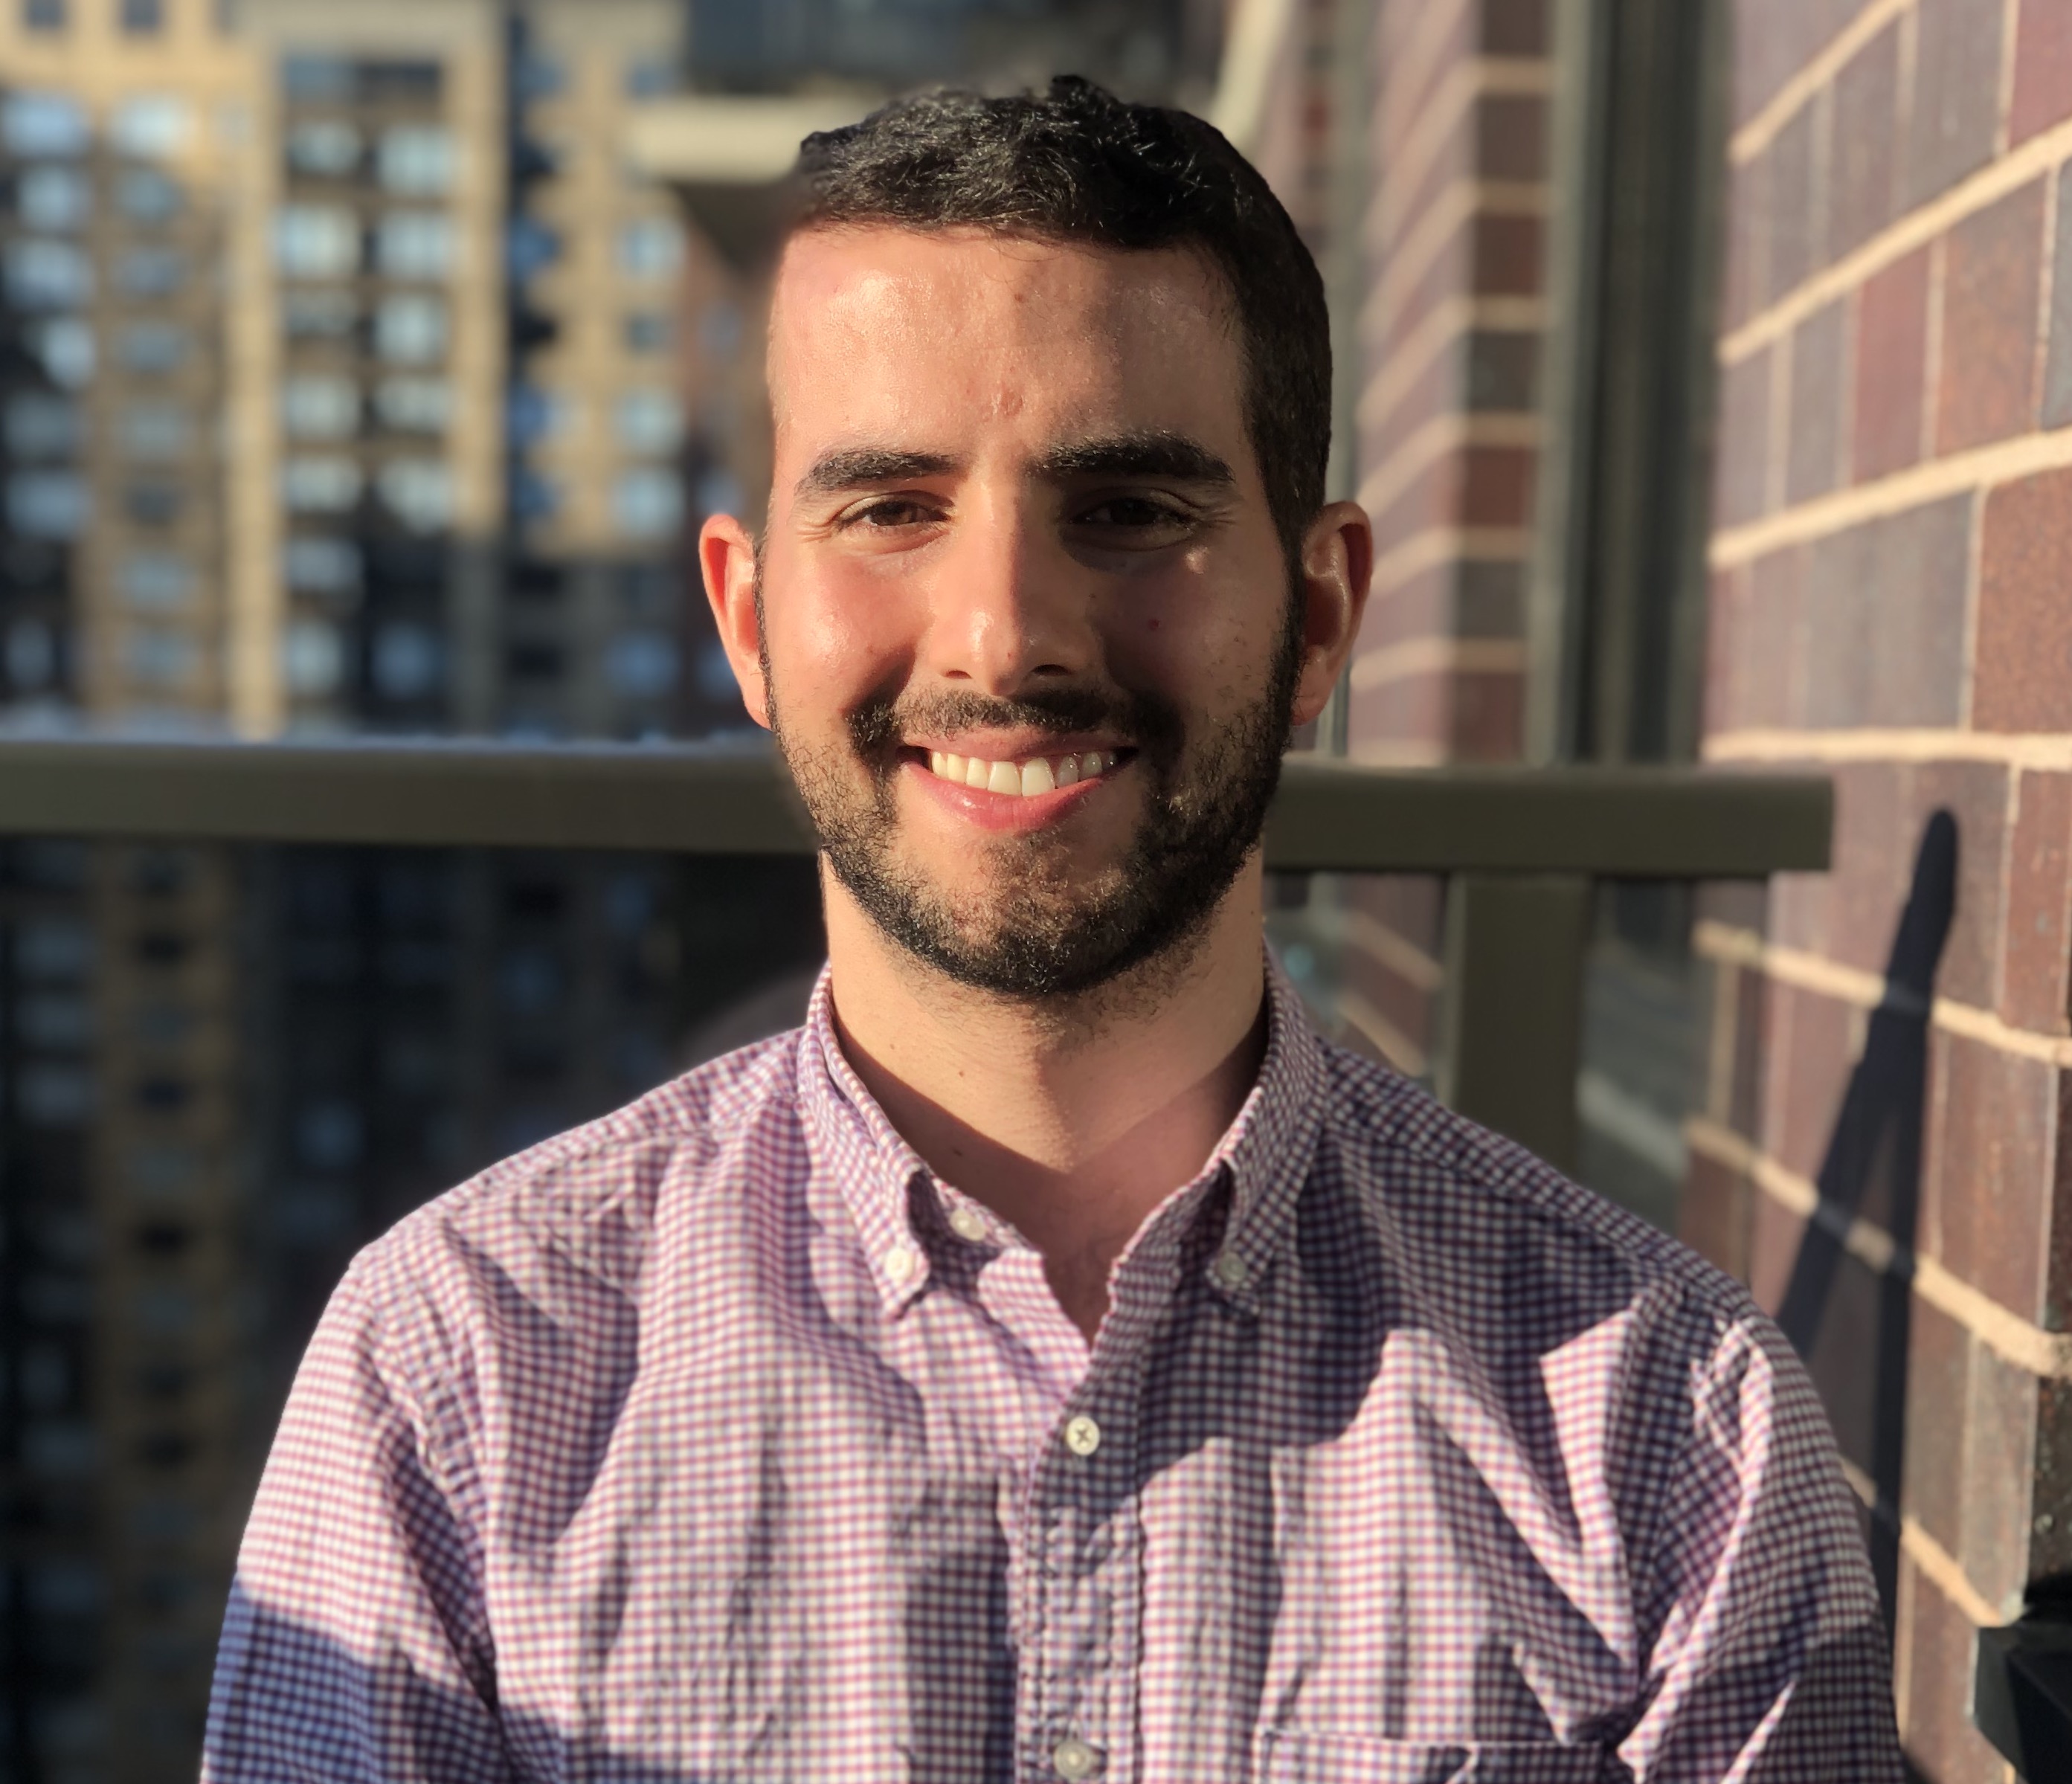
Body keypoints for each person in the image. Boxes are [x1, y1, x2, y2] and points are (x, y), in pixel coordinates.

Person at [204, 78, 1902, 1782]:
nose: (1004, 633)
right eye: (890, 508)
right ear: (747, 619)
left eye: (1132, 510)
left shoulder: (1668, 1435)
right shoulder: (460, 1380)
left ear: (1319, 615)